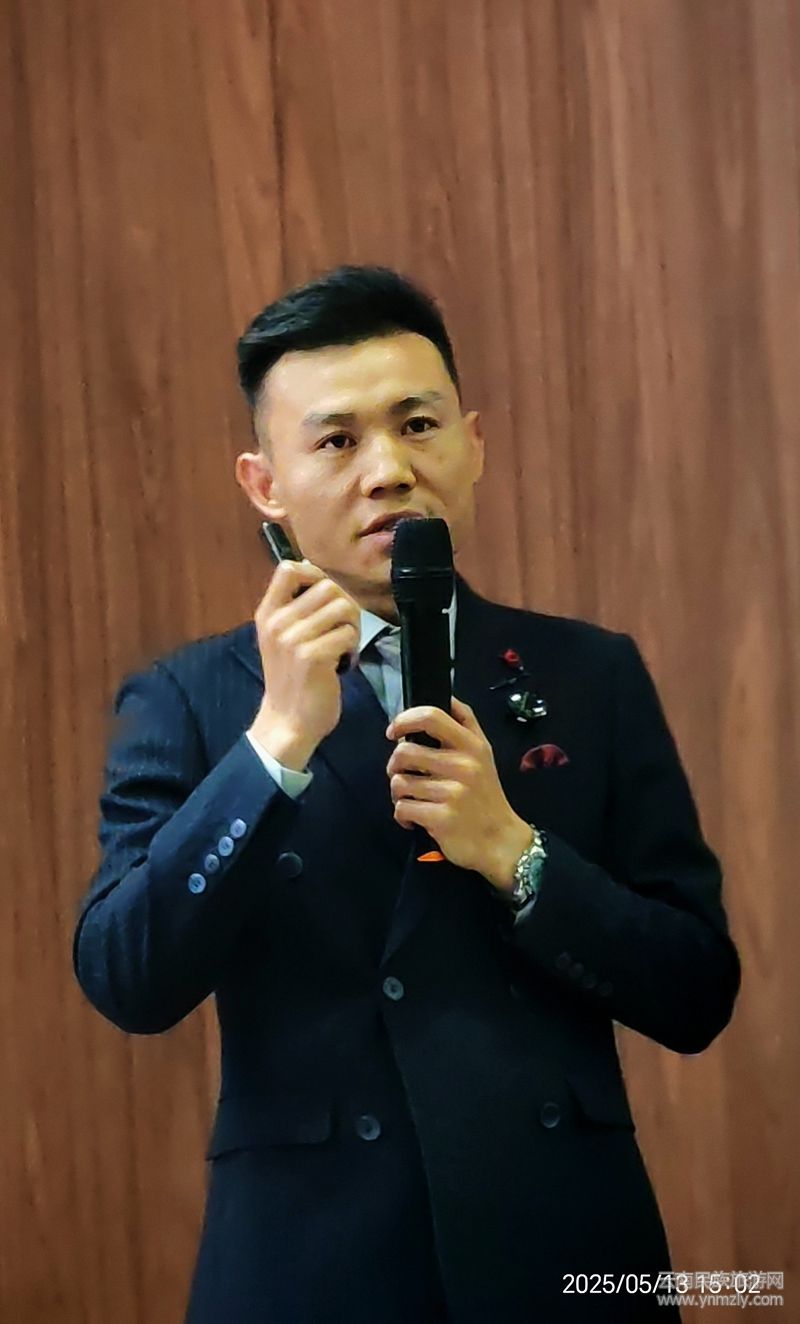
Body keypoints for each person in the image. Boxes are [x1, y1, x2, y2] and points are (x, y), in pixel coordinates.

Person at [73, 264, 740, 1323]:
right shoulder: (190, 698)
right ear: (265, 484)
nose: (389, 470)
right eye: (337, 441)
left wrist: (516, 854)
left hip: (564, 1254)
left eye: (418, 425)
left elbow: (697, 990)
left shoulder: (589, 673)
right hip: (310, 1261)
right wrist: (274, 747)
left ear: (472, 444)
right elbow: (127, 976)